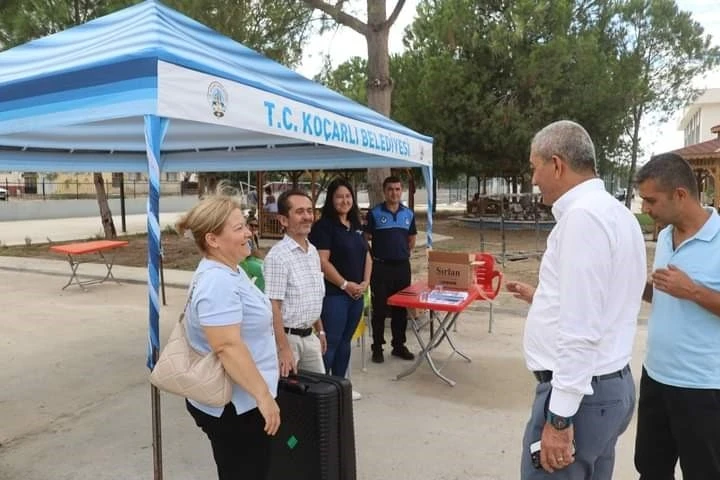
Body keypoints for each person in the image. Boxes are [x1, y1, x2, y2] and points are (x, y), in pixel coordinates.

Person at [505, 120, 646, 479]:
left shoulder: (582, 220)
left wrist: (559, 417)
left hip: (581, 396)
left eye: (535, 167)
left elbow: (581, 328)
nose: (533, 179)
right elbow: (606, 301)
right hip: (607, 386)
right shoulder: (619, 215)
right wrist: (543, 300)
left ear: (557, 164)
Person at [175, 195, 280, 480]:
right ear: (213, 239)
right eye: (238, 228)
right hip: (238, 406)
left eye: (246, 226)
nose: (248, 233)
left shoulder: (229, 271)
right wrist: (263, 397)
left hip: (241, 400)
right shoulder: (217, 282)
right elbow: (227, 346)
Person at [633, 153, 720, 480]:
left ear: (680, 195)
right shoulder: (667, 235)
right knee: (651, 469)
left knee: (704, 472)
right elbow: (666, 295)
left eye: (651, 200)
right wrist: (635, 288)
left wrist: (693, 290)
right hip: (656, 377)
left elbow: (685, 292)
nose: (645, 209)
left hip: (703, 387)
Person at [309, 178, 372, 378]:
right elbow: (322, 261)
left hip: (356, 296)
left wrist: (365, 283)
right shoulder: (324, 227)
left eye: (347, 196)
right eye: (339, 197)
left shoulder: (356, 223)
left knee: (346, 342)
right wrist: (344, 285)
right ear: (331, 199)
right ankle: (322, 390)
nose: (344, 201)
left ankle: (339, 387)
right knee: (332, 343)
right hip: (335, 295)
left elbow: (367, 255)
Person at [264, 189, 327, 376]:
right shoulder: (277, 257)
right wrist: (283, 349)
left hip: (310, 338)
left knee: (318, 396)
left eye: (310, 211)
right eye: (300, 212)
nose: (307, 217)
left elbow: (312, 296)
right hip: (287, 340)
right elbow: (273, 306)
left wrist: (320, 332)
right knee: (290, 399)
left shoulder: (313, 252)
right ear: (283, 220)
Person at [365, 175, 416, 363]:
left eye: (397, 189)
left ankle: (398, 345)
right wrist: (372, 256)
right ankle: (377, 347)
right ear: (384, 192)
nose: (394, 193)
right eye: (390, 189)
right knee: (379, 309)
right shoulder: (375, 213)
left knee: (400, 309)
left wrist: (401, 253)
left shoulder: (408, 214)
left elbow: (411, 239)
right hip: (381, 267)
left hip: (402, 268)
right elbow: (366, 237)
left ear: (400, 191)